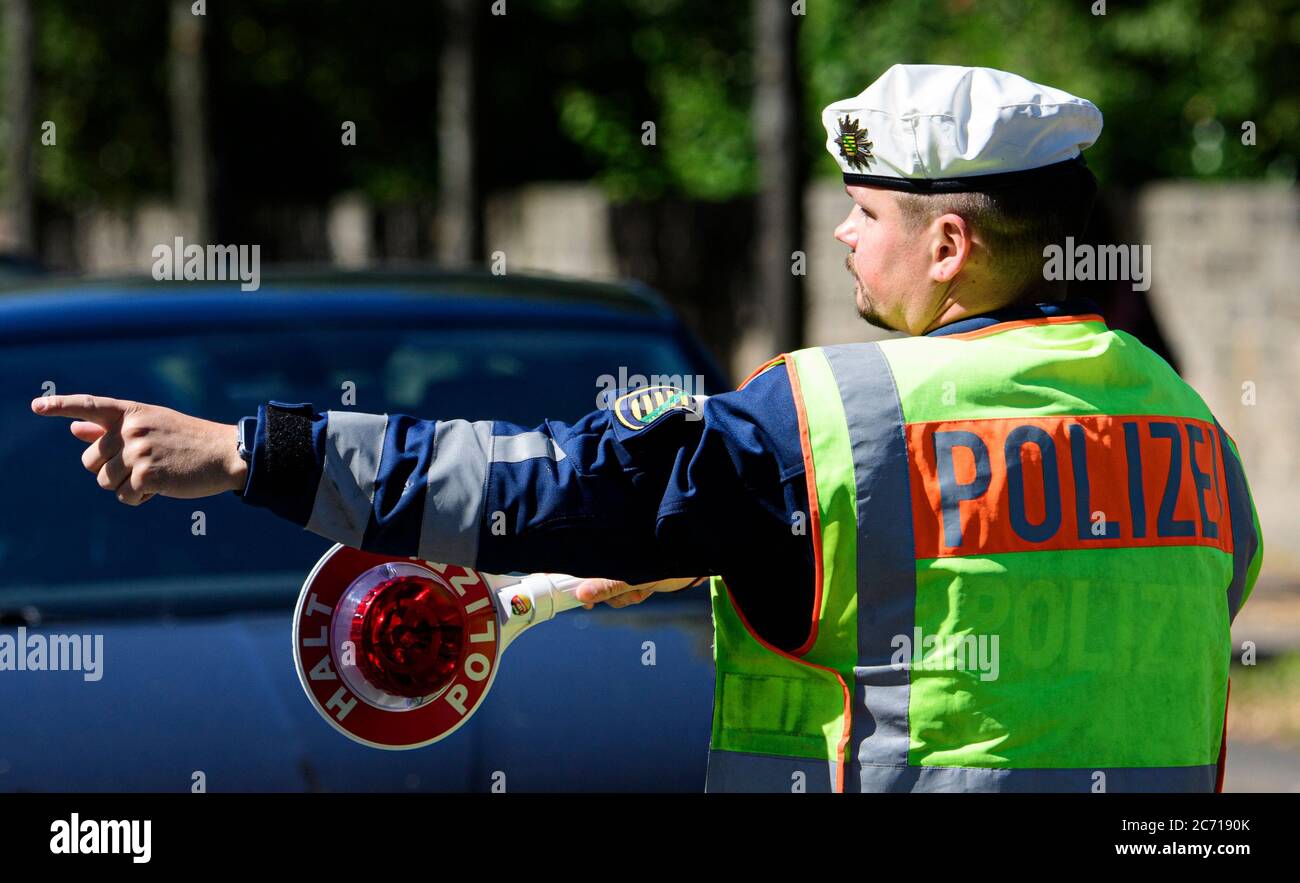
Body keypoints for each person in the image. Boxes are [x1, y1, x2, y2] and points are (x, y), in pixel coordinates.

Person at [32, 64, 1262, 793]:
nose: (839, 233)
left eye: (864, 210)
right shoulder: (1186, 425)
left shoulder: (836, 417)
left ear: (946, 246)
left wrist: (247, 452)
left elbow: (540, 482)